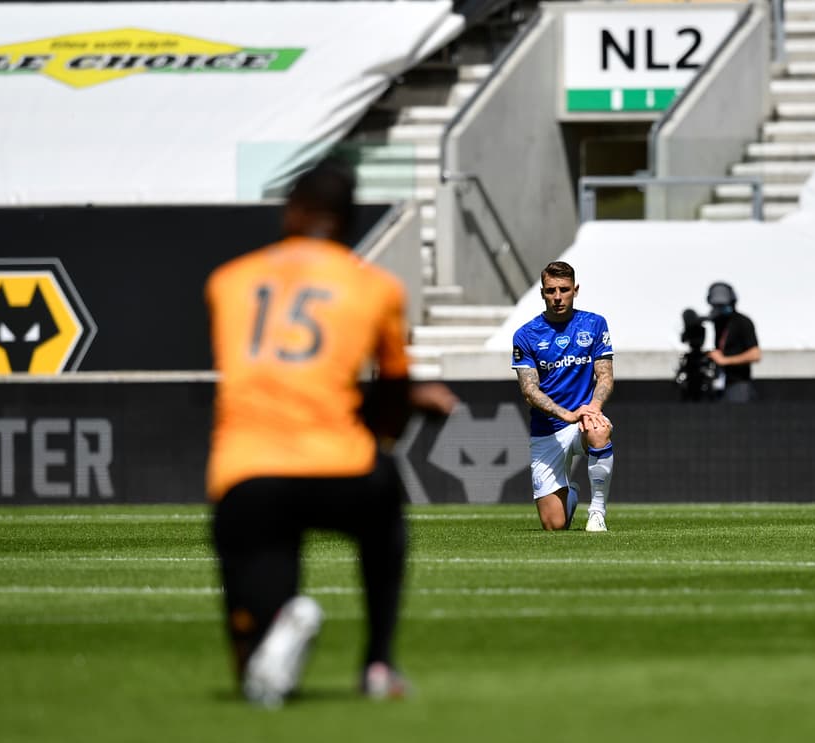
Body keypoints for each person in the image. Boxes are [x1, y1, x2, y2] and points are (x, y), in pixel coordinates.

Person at [205, 158, 458, 707]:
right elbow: (392, 388)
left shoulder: (229, 282)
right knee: (385, 508)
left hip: (247, 469)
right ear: (348, 222)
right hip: (341, 467)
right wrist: (383, 436)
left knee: (255, 648)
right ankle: (378, 663)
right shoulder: (376, 289)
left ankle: (271, 630)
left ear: (292, 212)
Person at [511, 261, 615, 532]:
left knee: (599, 429)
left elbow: (605, 376)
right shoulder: (526, 335)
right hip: (548, 428)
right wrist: (567, 414)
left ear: (575, 290)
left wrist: (593, 408)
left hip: (583, 419)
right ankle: (569, 496)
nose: (558, 297)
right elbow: (529, 390)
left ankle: (597, 512)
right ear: (543, 293)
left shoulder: (594, 324)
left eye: (564, 290)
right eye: (551, 290)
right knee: (554, 525)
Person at [705, 282, 761, 403]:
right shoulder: (718, 322)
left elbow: (755, 354)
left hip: (738, 385)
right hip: (720, 384)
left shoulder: (743, 322)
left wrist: (725, 361)